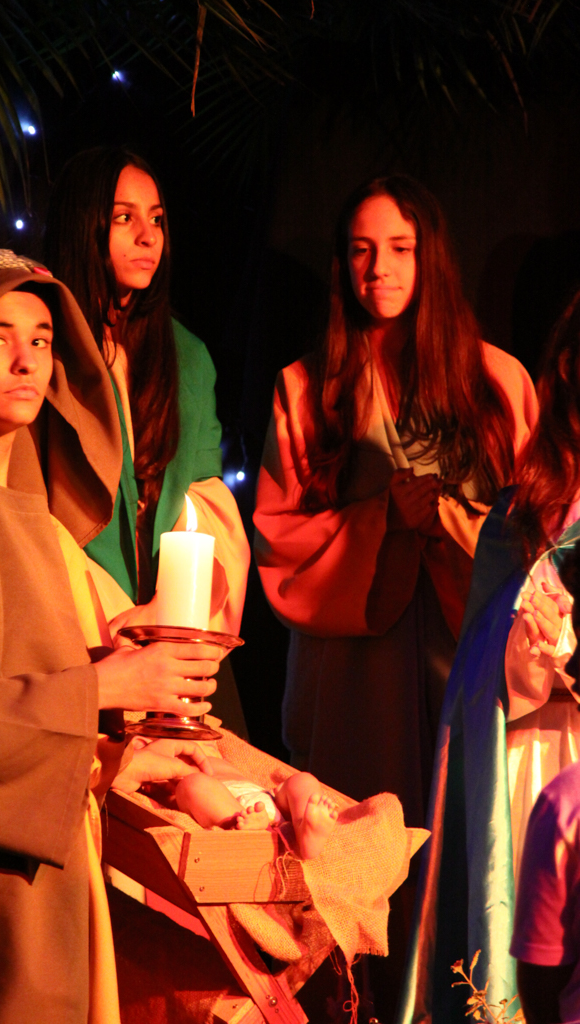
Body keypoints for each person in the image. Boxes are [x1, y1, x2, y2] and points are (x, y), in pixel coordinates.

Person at [0, 247, 222, 1024]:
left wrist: (117, 743)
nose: (27, 361)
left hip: (42, 859)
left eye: (41, 340)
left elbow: (16, 681)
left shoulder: (23, 509)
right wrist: (104, 686)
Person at [253, 174, 537, 1016]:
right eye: (361, 250)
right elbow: (280, 534)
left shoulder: (496, 382)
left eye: (399, 249)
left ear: (429, 257)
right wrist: (379, 518)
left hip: (465, 657)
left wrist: (450, 521)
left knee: (467, 849)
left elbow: (539, 530)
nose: (378, 268)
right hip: (355, 666)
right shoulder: (307, 388)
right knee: (356, 859)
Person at [398, 284, 580, 1022]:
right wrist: (539, 644)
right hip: (542, 766)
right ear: (569, 369)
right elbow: (479, 675)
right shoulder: (522, 512)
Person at [44, 148, 250, 733]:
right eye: (123, 217)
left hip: (170, 615)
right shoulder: (47, 346)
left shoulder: (187, 355)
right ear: (84, 224)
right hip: (74, 616)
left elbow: (206, 499)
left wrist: (174, 609)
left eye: (156, 218)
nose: (147, 236)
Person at [510, 539, 580, 1024]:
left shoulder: (566, 802)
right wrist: (533, 641)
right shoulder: (507, 533)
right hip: (528, 746)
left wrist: (564, 639)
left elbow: (539, 985)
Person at [131, 736, 339, 860]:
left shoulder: (211, 750)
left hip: (267, 797)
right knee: (191, 786)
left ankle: (306, 827)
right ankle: (256, 830)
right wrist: (154, 779)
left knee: (301, 780)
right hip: (231, 807)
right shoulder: (155, 758)